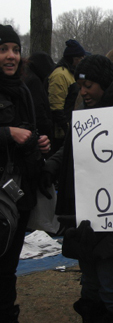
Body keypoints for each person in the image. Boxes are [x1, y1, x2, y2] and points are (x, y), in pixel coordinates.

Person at [41, 55, 113, 322]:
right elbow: (72, 145)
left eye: (89, 86)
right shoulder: (84, 110)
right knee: (91, 285)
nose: (83, 92)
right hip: (83, 211)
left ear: (105, 84)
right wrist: (52, 164)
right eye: (80, 86)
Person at [0, 24, 51, 323]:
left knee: (8, 268)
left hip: (19, 195)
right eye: (4, 49)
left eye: (16, 50)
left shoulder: (24, 89)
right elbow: (12, 134)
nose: (11, 56)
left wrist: (40, 144)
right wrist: (8, 133)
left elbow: (30, 133)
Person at [47, 39, 86, 153]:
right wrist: (66, 128)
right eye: (80, 58)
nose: (82, 61)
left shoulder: (70, 73)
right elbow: (56, 106)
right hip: (62, 131)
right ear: (73, 59)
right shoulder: (60, 75)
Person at [22, 51, 55, 156]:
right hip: (39, 135)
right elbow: (38, 109)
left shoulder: (26, 77)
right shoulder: (34, 81)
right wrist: (48, 126)